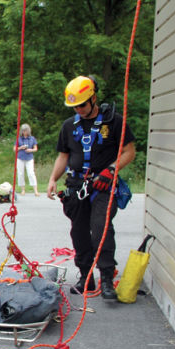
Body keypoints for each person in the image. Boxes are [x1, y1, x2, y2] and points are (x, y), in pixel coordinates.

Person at [47, 76, 136, 299]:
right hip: (76, 186)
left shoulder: (114, 122)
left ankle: (107, 278)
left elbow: (129, 152)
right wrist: (52, 179)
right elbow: (63, 156)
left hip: (103, 185)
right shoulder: (69, 126)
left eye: (83, 104)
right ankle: (86, 276)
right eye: (75, 106)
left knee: (100, 229)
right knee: (79, 233)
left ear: (93, 98)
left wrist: (111, 170)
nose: (79, 109)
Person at [14, 123, 39, 196]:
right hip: (20, 158)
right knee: (20, 173)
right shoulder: (19, 139)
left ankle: (35, 190)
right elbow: (15, 149)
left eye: (26, 131)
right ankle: (23, 190)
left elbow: (35, 148)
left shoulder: (32, 138)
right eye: (23, 131)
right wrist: (21, 147)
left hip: (29, 158)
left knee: (31, 173)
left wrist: (30, 150)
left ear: (28, 131)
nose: (25, 132)